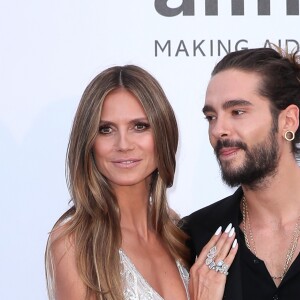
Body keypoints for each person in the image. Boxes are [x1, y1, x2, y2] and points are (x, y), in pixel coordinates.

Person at [45, 65, 238, 300]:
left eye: (139, 126)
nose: (124, 144)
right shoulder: (75, 242)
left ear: (162, 134)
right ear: (89, 142)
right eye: (105, 129)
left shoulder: (175, 229)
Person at [182, 46, 300, 300]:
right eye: (211, 117)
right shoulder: (195, 236)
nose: (218, 130)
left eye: (237, 112)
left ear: (288, 121)